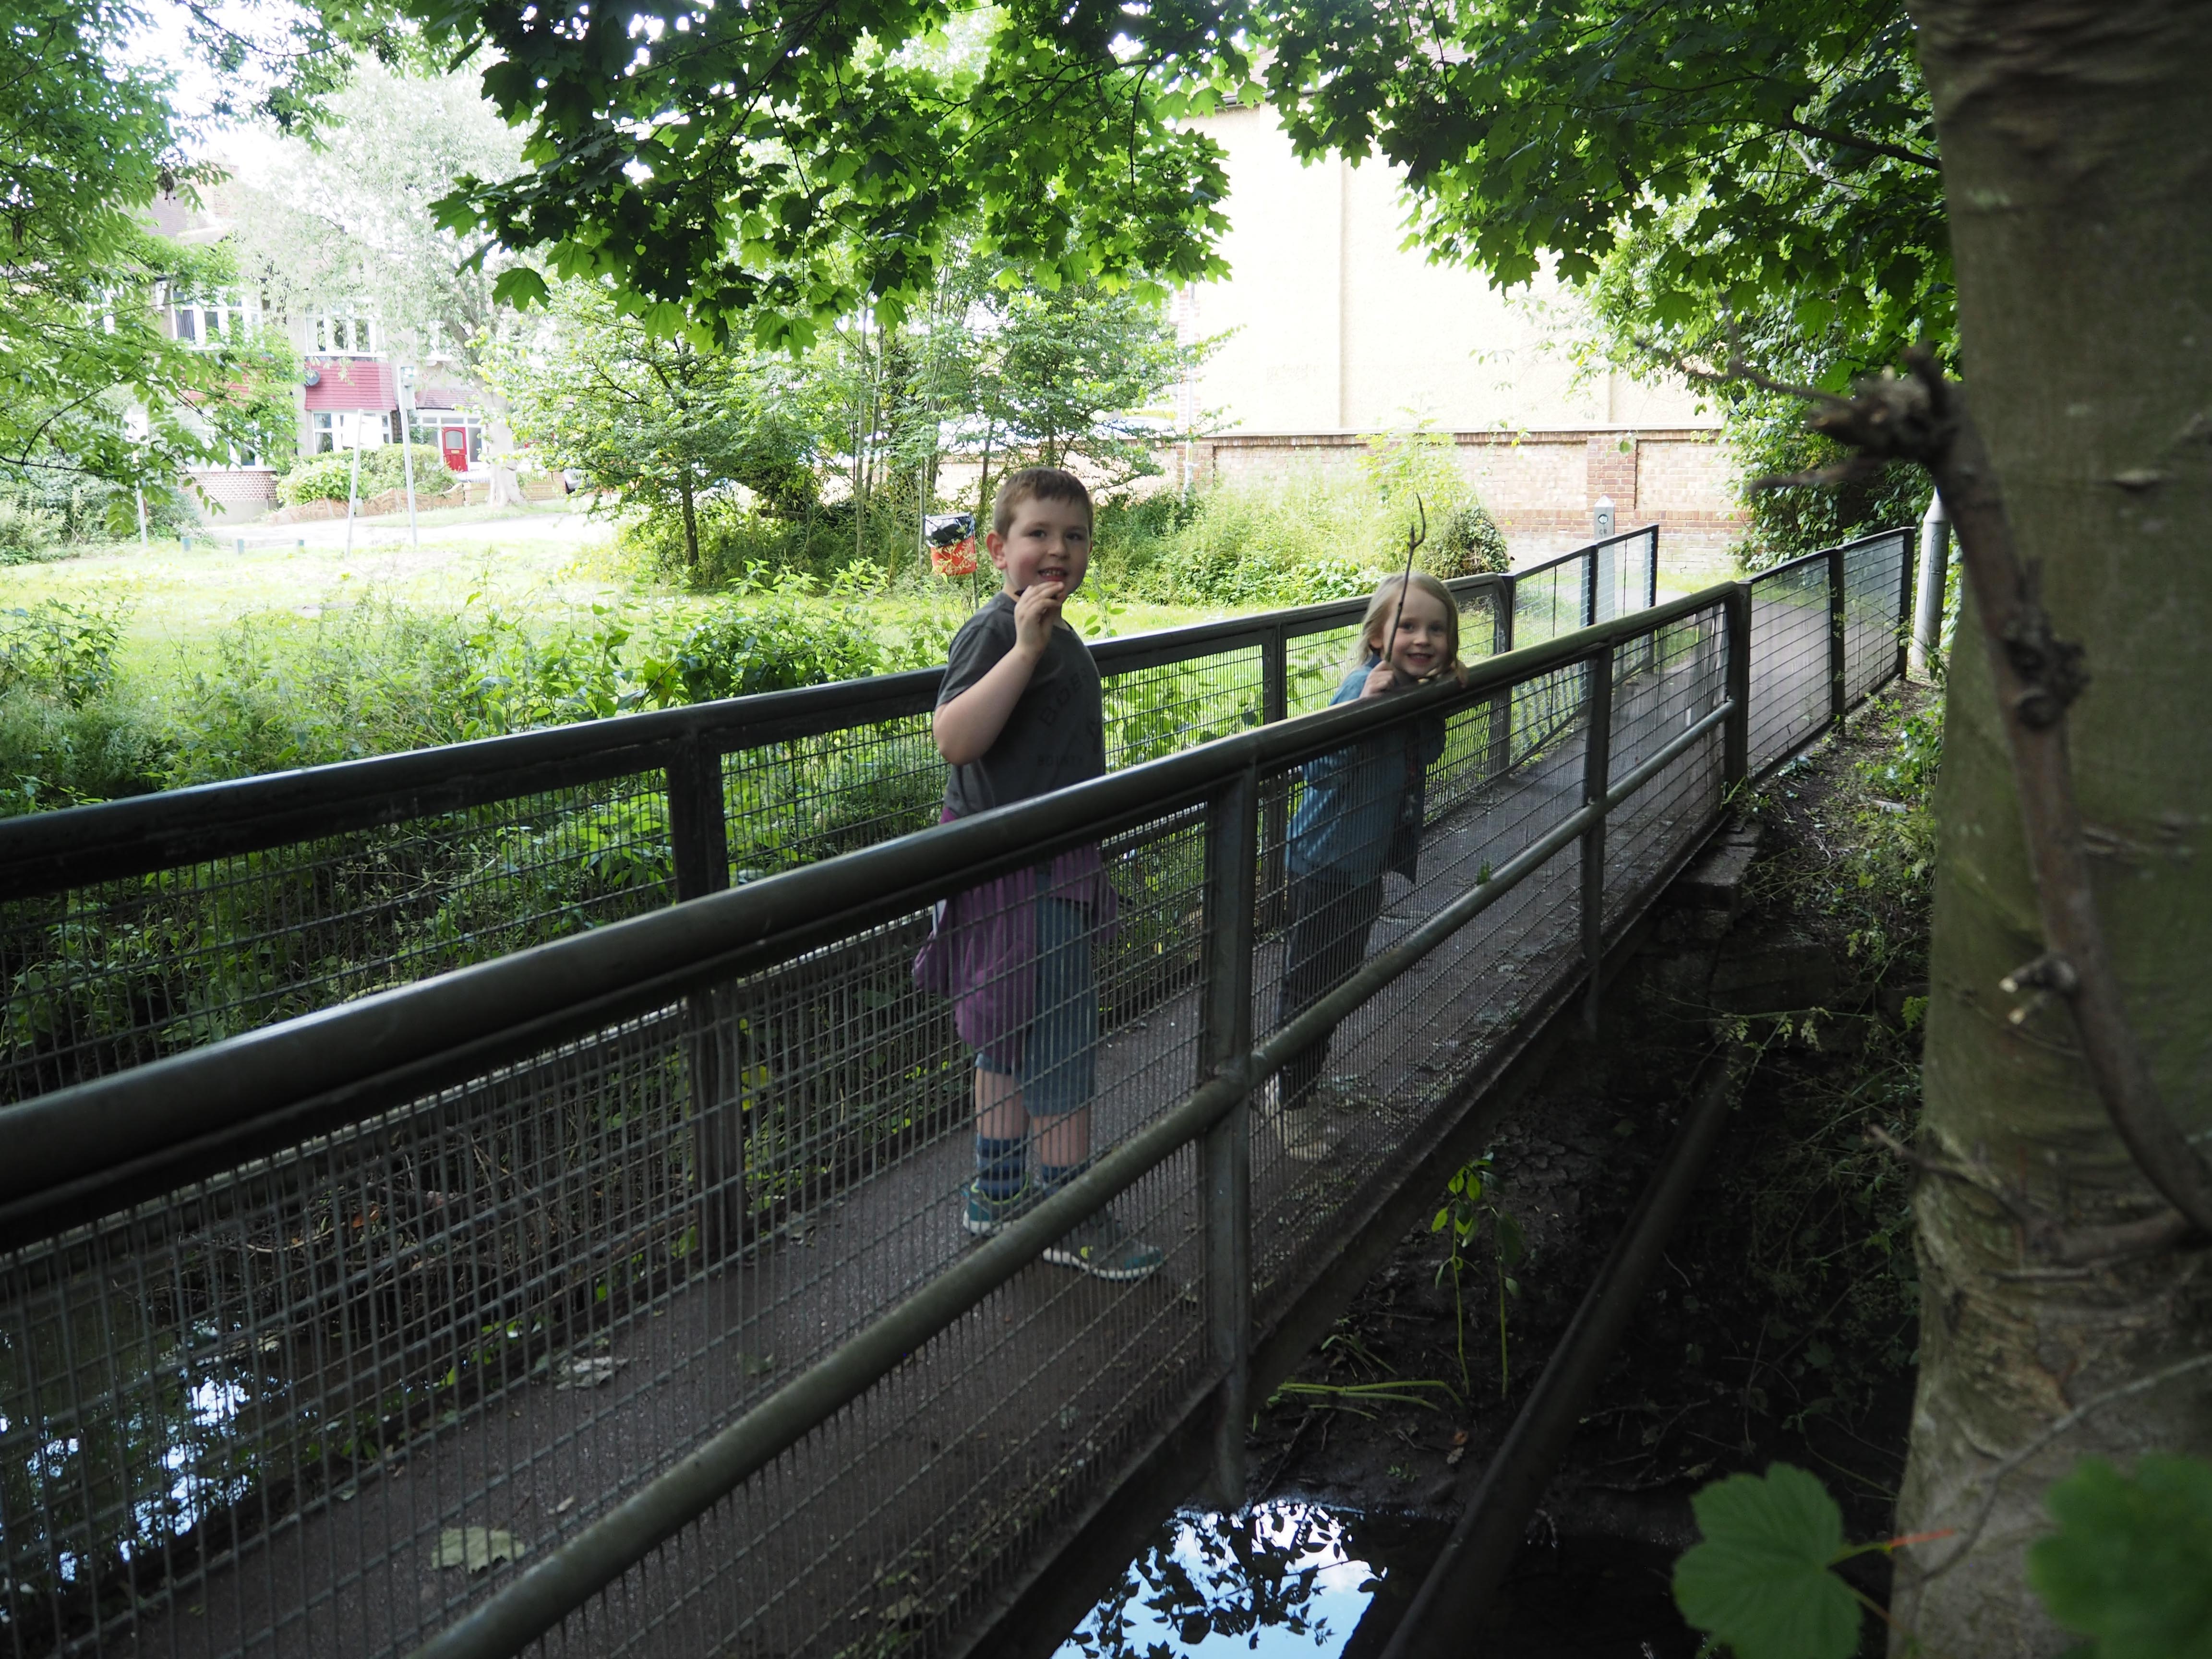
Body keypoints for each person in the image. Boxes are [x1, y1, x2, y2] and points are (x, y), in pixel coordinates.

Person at [914, 466, 1165, 1281]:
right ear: (996, 549)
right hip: (1026, 876)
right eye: (1037, 534)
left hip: (1030, 864)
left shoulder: (1055, 634)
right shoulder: (1000, 633)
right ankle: (1070, 1216)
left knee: (1007, 1038)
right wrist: (1024, 647)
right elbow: (953, 739)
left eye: (1074, 535)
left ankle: (996, 1197)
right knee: (1058, 1047)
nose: (1057, 550)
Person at [1265, 571, 1464, 1160]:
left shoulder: (1414, 689)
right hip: (1325, 863)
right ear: (1379, 637)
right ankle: (1288, 1099)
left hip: (1361, 868)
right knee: (1312, 985)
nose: (1422, 638)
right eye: (1407, 626)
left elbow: (1425, 753)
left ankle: (1290, 1082)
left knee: (1337, 979)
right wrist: (1362, 710)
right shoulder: (1361, 685)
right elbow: (1315, 766)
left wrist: (1435, 701)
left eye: (1436, 629)